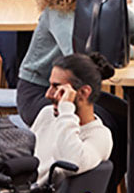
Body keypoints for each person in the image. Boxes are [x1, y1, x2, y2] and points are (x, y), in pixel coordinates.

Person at [29, 54, 115, 184]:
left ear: (83, 93)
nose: (48, 94)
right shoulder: (48, 114)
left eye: (57, 87)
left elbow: (70, 162)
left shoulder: (100, 136)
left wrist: (66, 109)